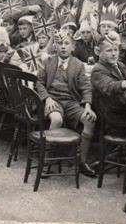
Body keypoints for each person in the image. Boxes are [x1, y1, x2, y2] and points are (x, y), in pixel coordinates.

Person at [36, 29, 97, 177]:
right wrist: (48, 99)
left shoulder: (78, 65)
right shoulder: (48, 61)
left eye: (66, 44)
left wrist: (87, 105)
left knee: (89, 120)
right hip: (53, 100)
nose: (63, 47)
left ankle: (81, 161)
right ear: (55, 46)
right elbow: (39, 83)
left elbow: (86, 87)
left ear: (73, 47)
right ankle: (47, 161)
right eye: (60, 43)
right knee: (56, 119)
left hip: (70, 102)